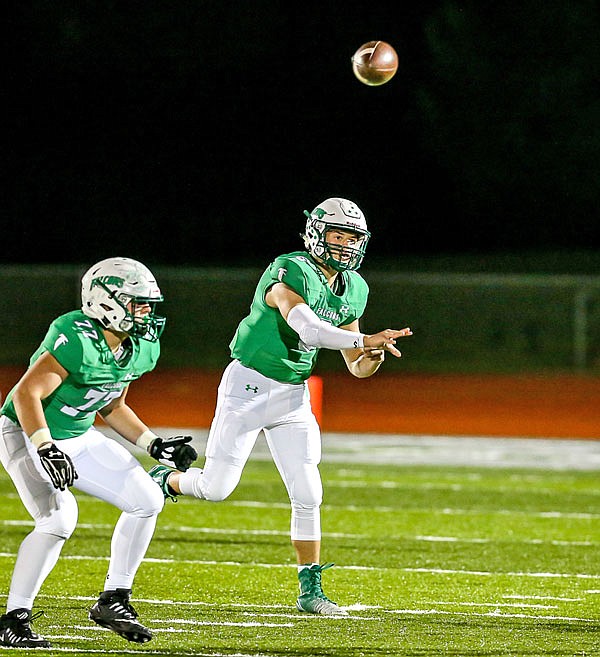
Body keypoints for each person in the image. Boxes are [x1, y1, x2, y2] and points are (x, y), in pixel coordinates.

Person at [149, 198, 412, 615]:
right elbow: (307, 327)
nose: (345, 245)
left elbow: (356, 368)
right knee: (217, 489)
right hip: (248, 388)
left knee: (309, 491)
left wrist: (374, 354)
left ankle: (311, 590)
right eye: (338, 235)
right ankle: (167, 479)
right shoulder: (289, 269)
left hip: (293, 394)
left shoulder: (355, 288)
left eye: (353, 237)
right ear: (316, 233)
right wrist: (365, 341)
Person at [0, 257, 197, 648]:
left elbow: (113, 406)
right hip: (25, 431)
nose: (146, 314)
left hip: (76, 434)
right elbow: (26, 394)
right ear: (105, 302)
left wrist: (152, 444)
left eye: (147, 305)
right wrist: (45, 447)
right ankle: (13, 619)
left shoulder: (139, 347)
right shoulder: (76, 335)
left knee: (146, 498)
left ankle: (113, 599)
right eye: (137, 303)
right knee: (58, 520)